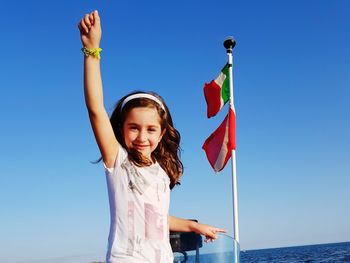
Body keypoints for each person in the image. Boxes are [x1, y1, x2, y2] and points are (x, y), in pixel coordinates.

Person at [78, 10, 226, 263]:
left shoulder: (160, 171)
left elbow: (155, 218)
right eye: (133, 127)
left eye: (150, 129)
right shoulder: (118, 160)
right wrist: (92, 51)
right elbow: (95, 110)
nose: (141, 136)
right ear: (121, 128)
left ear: (162, 133)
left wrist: (194, 227)